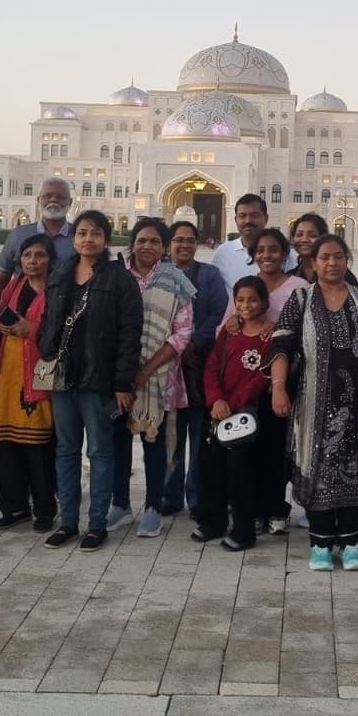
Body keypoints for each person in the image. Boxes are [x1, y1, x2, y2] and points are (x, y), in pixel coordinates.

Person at [269, 234, 358, 572]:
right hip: (311, 407)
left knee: (353, 473)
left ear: (347, 260)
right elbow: (280, 344)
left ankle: (351, 543)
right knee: (316, 470)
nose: (332, 263)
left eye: (338, 256)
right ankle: (320, 544)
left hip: (355, 410)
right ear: (314, 262)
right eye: (325, 257)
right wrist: (279, 388)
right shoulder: (301, 299)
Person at [41, 210, 142, 552]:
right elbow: (48, 319)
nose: (88, 239)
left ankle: (97, 523)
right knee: (66, 450)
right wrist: (46, 347)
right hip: (64, 378)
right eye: (82, 232)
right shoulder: (61, 274)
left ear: (106, 238)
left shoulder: (119, 279)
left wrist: (122, 382)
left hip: (98, 381)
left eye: (96, 233)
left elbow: (131, 334)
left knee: (99, 451)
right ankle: (68, 520)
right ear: (74, 237)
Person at [109, 218, 195, 538]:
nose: (148, 246)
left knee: (154, 444)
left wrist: (145, 369)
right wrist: (125, 372)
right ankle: (119, 503)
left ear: (164, 246)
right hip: (118, 376)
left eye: (155, 241)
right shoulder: (116, 275)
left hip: (159, 377)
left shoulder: (176, 281)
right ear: (132, 242)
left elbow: (182, 333)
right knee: (118, 439)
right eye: (142, 240)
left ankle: (153, 507)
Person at [0, 234, 59, 532]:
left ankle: (44, 509)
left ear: (50, 259)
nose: (33, 261)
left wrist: (32, 329)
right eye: (27, 255)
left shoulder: (57, 289)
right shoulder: (14, 284)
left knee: (39, 447)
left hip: (39, 376)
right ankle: (14, 507)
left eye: (39, 255)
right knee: (5, 445)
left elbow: (61, 330)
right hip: (8, 374)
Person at [195, 276, 273, 551]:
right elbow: (212, 367)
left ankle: (243, 530)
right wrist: (216, 400)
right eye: (240, 300)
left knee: (241, 474)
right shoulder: (229, 332)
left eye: (252, 299)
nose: (246, 305)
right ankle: (212, 521)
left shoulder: (269, 337)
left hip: (243, 415)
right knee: (211, 468)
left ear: (264, 302)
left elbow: (262, 377)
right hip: (218, 412)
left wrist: (233, 404)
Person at [161, 219, 229, 520]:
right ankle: (169, 495)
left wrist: (192, 343)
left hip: (198, 365)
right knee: (172, 435)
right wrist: (173, 347)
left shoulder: (209, 275)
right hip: (168, 365)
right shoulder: (159, 277)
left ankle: (197, 496)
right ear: (169, 244)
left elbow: (218, 312)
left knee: (200, 436)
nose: (184, 245)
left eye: (190, 240)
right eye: (178, 240)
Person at [245, 227, 305, 534]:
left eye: (273, 250)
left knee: (277, 448)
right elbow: (229, 328)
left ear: (285, 253)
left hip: (285, 381)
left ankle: (276, 508)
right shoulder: (247, 286)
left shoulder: (299, 287)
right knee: (251, 446)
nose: (266, 256)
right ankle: (254, 508)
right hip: (249, 382)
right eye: (260, 251)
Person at [0, 177, 76, 313]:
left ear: (69, 202)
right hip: (21, 318)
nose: (53, 200)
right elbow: (0, 282)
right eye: (47, 196)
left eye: (60, 197)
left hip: (64, 317)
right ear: (38, 200)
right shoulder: (19, 235)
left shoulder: (79, 238)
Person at [211, 192, 294, 295]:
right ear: (235, 219)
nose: (248, 220)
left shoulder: (286, 254)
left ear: (266, 218)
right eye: (242, 216)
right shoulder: (223, 252)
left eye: (254, 215)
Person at [289, 212, 358, 287]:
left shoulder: (338, 274)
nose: (304, 240)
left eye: (312, 235)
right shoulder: (290, 277)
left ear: (323, 239)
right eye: (299, 235)